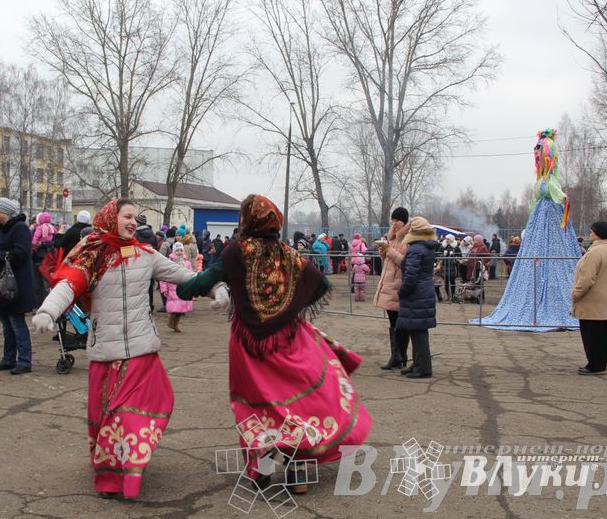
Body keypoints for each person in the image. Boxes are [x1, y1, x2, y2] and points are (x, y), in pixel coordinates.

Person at [177, 194, 371, 493]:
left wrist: (185, 286)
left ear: (247, 220)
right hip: (291, 339)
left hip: (249, 346)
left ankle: (262, 470)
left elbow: (198, 284)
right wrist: (288, 309)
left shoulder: (235, 252)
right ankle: (298, 472)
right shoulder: (288, 254)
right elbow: (320, 283)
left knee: (255, 409)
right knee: (295, 405)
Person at [32, 198, 202, 499]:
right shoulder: (91, 255)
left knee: (127, 417)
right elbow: (68, 284)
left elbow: (184, 276)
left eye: (135, 217)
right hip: (105, 353)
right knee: (107, 420)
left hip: (141, 352)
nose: (133, 222)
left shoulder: (146, 254)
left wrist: (216, 285)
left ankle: (130, 469)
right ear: (111, 218)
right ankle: (110, 476)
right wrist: (48, 311)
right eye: (127, 216)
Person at [0, 198, 36, 374]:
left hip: (16, 285)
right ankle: (9, 359)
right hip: (5, 285)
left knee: (16, 323)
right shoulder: (4, 228)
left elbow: (22, 253)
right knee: (6, 324)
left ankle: (24, 360)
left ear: (6, 212)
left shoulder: (20, 228)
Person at [571, 221, 607, 375]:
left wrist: (575, 294)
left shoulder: (595, 252)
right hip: (604, 301)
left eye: (592, 231)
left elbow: (586, 279)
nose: (589, 234)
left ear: (597, 233)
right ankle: (599, 363)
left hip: (592, 301)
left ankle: (594, 365)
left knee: (592, 336)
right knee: (602, 337)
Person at [396, 217, 439, 379]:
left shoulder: (415, 249)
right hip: (424, 290)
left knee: (418, 331)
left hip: (416, 292)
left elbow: (411, 276)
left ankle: (423, 367)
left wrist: (403, 292)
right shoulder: (426, 247)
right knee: (417, 329)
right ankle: (418, 363)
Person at [374, 207, 410, 370]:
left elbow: (405, 262)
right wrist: (383, 250)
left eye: (398, 221)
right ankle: (397, 355)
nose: (395, 224)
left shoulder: (408, 239)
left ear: (405, 221)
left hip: (399, 285)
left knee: (400, 322)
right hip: (389, 284)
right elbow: (388, 261)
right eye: (393, 220)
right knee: (393, 322)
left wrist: (389, 251)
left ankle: (400, 355)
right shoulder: (393, 238)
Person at [160, 242, 194, 332]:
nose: (179, 252)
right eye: (177, 250)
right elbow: (163, 277)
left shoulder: (187, 263)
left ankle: (175, 324)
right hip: (172, 289)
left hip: (183, 288)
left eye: (181, 250)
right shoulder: (169, 263)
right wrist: (164, 289)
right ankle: (171, 323)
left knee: (180, 309)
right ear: (174, 251)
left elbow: (191, 274)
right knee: (175, 309)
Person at [32, 211, 57, 305]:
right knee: (47, 282)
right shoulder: (52, 227)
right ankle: (50, 302)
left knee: (39, 283)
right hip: (49, 257)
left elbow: (34, 241)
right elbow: (55, 239)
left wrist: (35, 245)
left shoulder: (39, 228)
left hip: (39, 257)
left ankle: (40, 304)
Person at [440, 234, 462, 300]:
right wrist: (442, 255)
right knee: (446, 282)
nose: (446, 240)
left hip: (453, 266)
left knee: (452, 281)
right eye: (446, 239)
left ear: (451, 239)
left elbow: (460, 256)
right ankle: (448, 295)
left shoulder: (456, 247)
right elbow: (438, 253)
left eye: (448, 239)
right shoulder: (443, 246)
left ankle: (452, 295)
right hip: (445, 265)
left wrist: (455, 258)